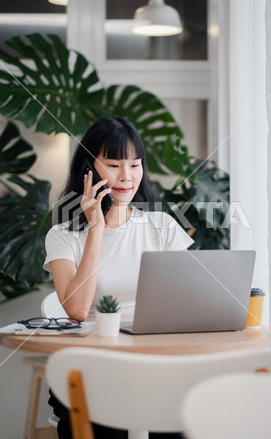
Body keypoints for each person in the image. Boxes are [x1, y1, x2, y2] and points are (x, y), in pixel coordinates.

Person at [43, 117, 194, 439]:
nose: (127, 177)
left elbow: (189, 300)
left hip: (157, 363)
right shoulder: (62, 235)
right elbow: (77, 310)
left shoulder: (162, 226)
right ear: (89, 170)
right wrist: (96, 228)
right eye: (113, 164)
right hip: (95, 369)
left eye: (135, 165)